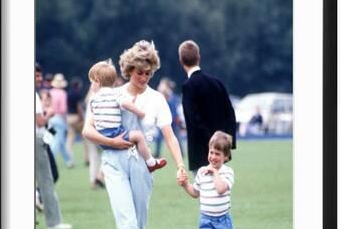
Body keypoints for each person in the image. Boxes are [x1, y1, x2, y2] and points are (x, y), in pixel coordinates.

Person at [83, 40, 187, 229]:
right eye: (140, 72)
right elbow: (87, 130)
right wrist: (115, 143)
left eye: (149, 73)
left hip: (141, 165)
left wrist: (180, 165)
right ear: (128, 70)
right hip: (114, 163)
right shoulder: (111, 93)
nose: (144, 77)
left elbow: (170, 136)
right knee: (127, 222)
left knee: (138, 226)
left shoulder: (157, 100)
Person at [88, 59, 167, 172]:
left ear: (98, 81)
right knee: (139, 136)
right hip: (114, 133)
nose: (91, 86)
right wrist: (139, 112)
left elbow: (93, 112)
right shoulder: (115, 94)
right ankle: (151, 162)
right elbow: (125, 104)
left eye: (92, 82)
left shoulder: (93, 98)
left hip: (101, 137)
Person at [178, 40, 236, 172]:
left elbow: (194, 120)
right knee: (221, 190)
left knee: (205, 192)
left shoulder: (188, 86)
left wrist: (211, 145)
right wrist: (226, 144)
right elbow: (230, 113)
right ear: (199, 57)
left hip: (201, 152)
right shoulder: (217, 82)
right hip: (221, 152)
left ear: (181, 61)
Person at [35, 65, 72, 229]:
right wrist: (49, 112)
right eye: (36, 76)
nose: (39, 79)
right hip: (38, 138)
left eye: (40, 76)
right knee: (47, 180)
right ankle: (54, 222)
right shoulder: (35, 96)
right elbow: (40, 122)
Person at [46, 73, 74, 168]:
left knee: (60, 141)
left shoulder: (50, 92)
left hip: (50, 118)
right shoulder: (62, 93)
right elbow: (63, 110)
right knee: (57, 142)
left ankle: (69, 161)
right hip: (59, 118)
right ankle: (50, 160)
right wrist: (65, 120)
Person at [154, 77, 184, 158]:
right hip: (165, 120)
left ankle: (181, 153)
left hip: (173, 120)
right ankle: (157, 153)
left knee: (177, 138)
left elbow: (174, 110)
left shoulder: (172, 97)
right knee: (159, 137)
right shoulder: (162, 97)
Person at [65, 77, 86, 164]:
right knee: (85, 138)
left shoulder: (68, 94)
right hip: (77, 118)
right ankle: (87, 158)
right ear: (78, 85)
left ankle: (69, 159)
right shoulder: (78, 94)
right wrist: (82, 117)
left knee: (70, 140)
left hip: (69, 117)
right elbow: (79, 107)